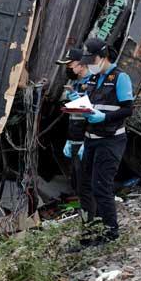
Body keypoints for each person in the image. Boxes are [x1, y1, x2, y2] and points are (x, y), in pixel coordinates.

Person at [77, 37, 133, 245]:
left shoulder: (120, 78)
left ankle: (109, 233)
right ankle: (89, 235)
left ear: (103, 57)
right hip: (91, 139)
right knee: (85, 188)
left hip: (111, 140)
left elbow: (128, 109)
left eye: (92, 60)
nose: (90, 65)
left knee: (101, 186)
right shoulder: (92, 80)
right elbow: (92, 105)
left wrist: (104, 117)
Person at [55, 48, 94, 222]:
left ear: (80, 64)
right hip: (76, 139)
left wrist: (87, 140)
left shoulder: (92, 83)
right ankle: (87, 221)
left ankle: (93, 222)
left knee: (86, 185)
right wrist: (70, 140)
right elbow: (75, 115)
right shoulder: (77, 84)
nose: (68, 68)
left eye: (70, 64)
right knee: (77, 184)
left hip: (87, 139)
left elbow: (92, 114)